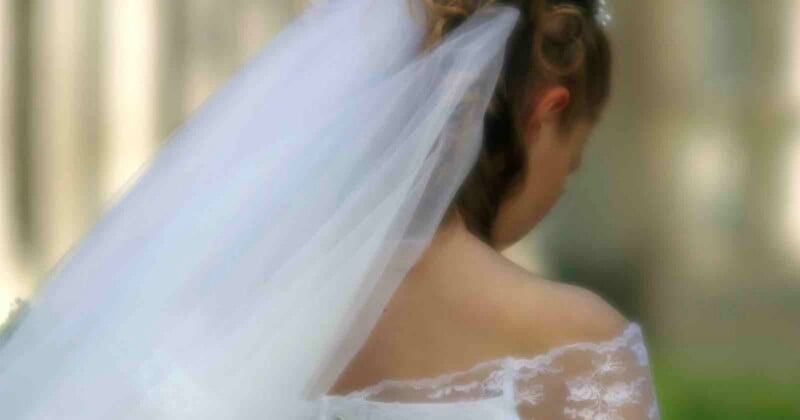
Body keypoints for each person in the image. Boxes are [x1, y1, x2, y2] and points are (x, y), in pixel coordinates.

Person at [0, 0, 659, 418]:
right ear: (547, 112)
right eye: (568, 170)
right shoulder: (573, 342)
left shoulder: (224, 306)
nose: (555, 193)